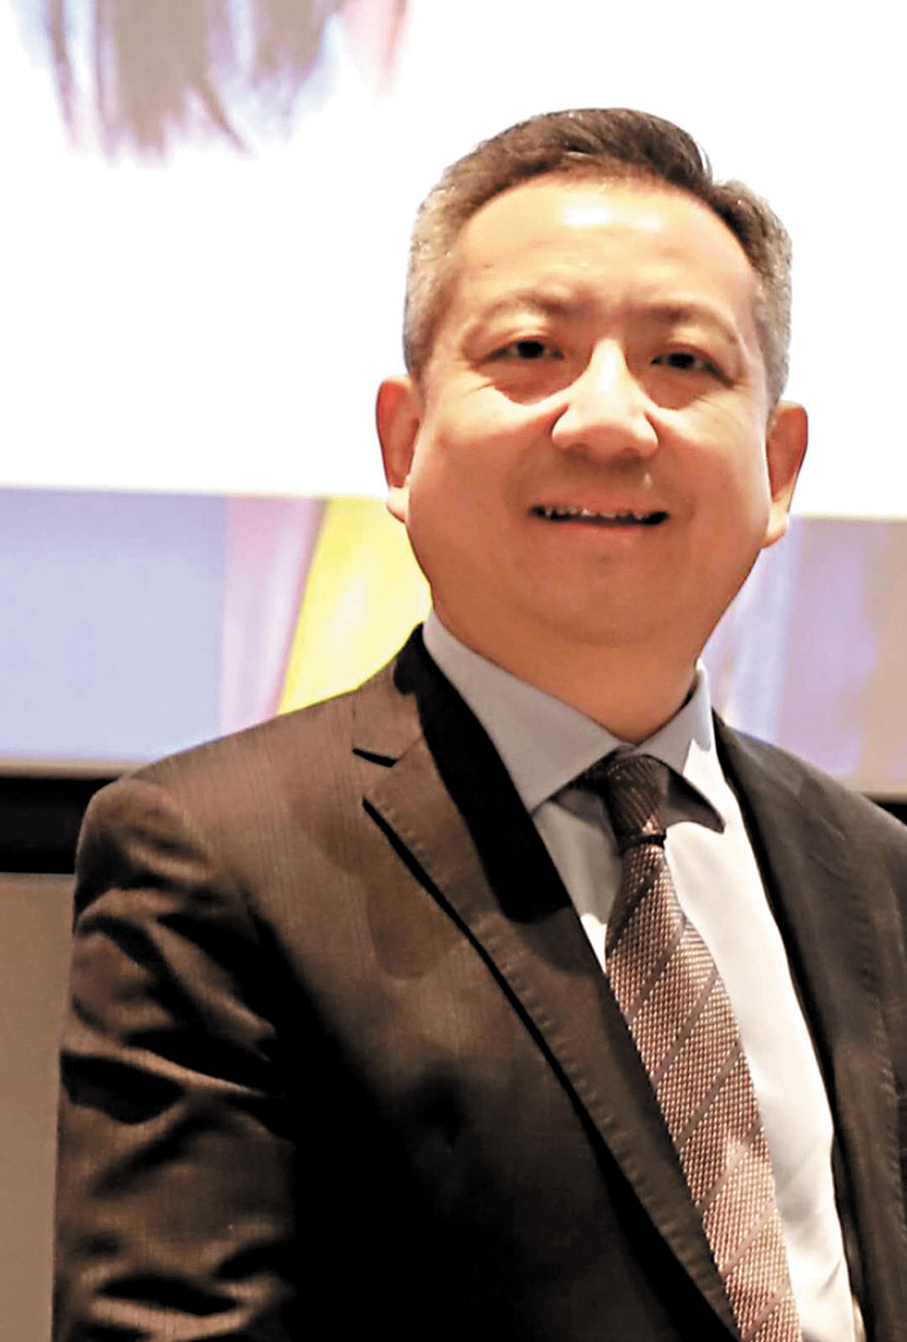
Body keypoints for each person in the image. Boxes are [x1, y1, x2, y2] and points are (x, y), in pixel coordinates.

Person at [54, 109, 907, 1341]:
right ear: (403, 441)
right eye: (529, 349)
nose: (608, 421)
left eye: (682, 361)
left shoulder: (873, 874)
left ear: (778, 468)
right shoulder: (211, 860)